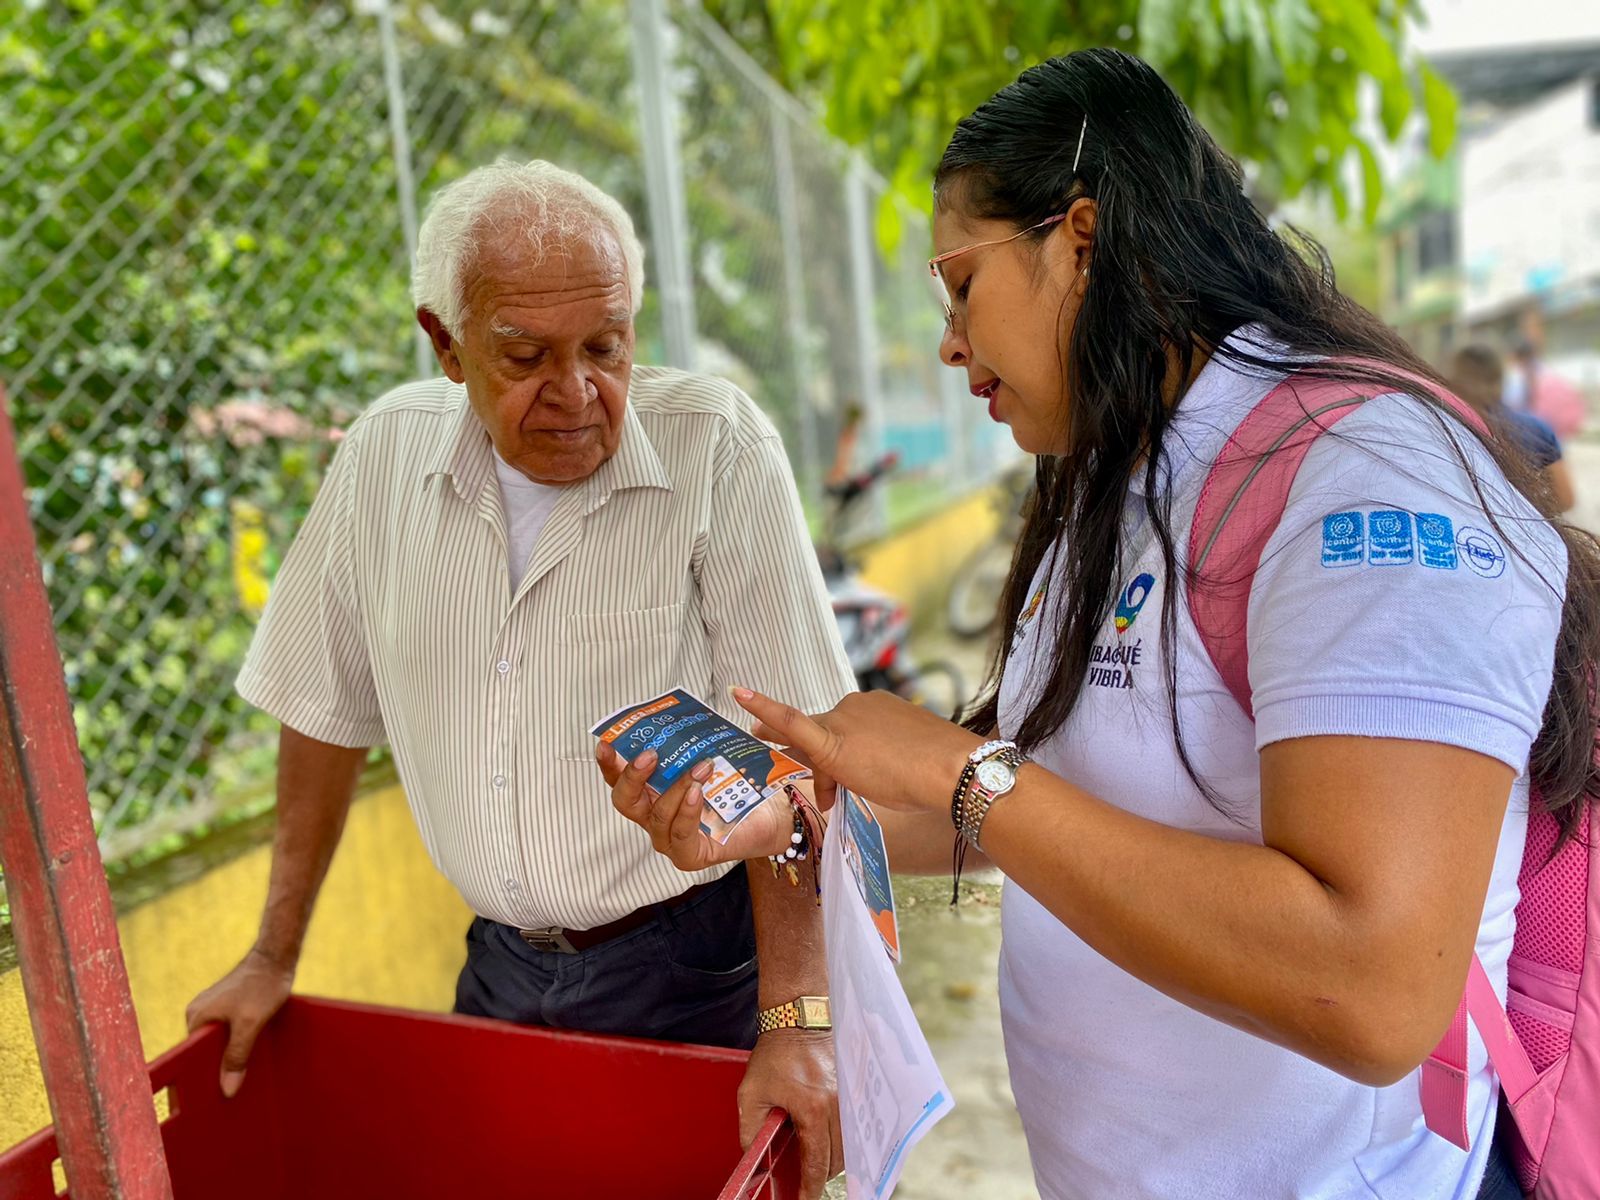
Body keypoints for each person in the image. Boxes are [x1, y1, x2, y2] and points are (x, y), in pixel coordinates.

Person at [602, 49, 1600, 1200]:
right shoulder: (1117, 477)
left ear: (1079, 238)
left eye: (960, 282)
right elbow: (1049, 811)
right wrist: (785, 805)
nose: (946, 340)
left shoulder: (1365, 476)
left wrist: (967, 770)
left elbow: (1372, 988)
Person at [185, 159, 852, 1197]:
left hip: (697, 966)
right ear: (444, 346)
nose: (579, 394)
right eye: (526, 356)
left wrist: (796, 1019)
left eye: (606, 348)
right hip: (497, 967)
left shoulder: (716, 449)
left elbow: (803, 754)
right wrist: (272, 956)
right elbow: (320, 709)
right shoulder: (379, 465)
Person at [1450, 344, 1575, 512]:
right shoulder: (1535, 429)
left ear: (1453, 380)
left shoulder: (1442, 427)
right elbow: (1565, 499)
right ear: (1500, 379)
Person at [1505, 339, 1586, 439]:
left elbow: (1513, 403)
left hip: (1534, 430)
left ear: (1514, 355)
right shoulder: (1546, 370)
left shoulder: (1517, 376)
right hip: (1557, 426)